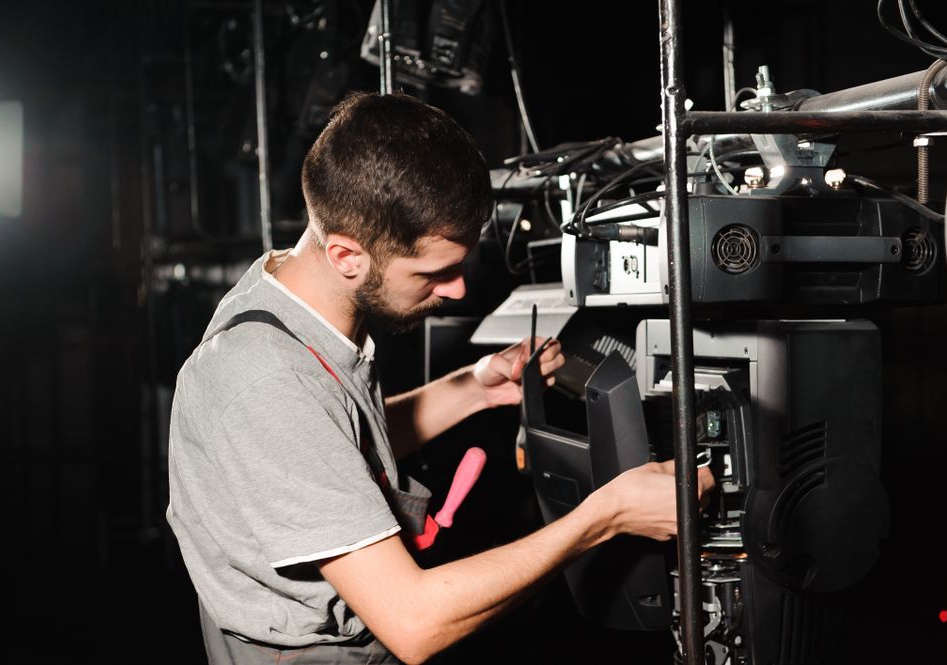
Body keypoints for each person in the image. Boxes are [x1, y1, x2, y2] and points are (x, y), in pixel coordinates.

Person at [167, 90, 714, 665]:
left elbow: (331, 447)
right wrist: (607, 514)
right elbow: (414, 622)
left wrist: (474, 388)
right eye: (436, 271)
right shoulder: (265, 378)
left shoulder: (288, 297)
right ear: (347, 256)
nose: (457, 289)